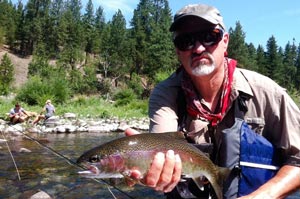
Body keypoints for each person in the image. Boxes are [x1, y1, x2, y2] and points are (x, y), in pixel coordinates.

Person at [125, 3, 300, 199]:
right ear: (177, 51)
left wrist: (263, 196)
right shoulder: (166, 95)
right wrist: (145, 159)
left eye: (209, 37)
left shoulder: (267, 93)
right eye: (186, 41)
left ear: (225, 41)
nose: (198, 48)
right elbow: (162, 143)